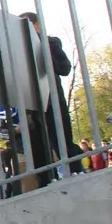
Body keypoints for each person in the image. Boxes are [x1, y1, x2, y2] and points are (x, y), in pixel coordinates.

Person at [23, 12, 84, 176]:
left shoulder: (50, 43)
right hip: (31, 102)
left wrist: (47, 55)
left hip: (53, 99)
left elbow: (65, 68)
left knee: (62, 140)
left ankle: (76, 171)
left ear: (37, 25)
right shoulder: (17, 48)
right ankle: (46, 179)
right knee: (38, 145)